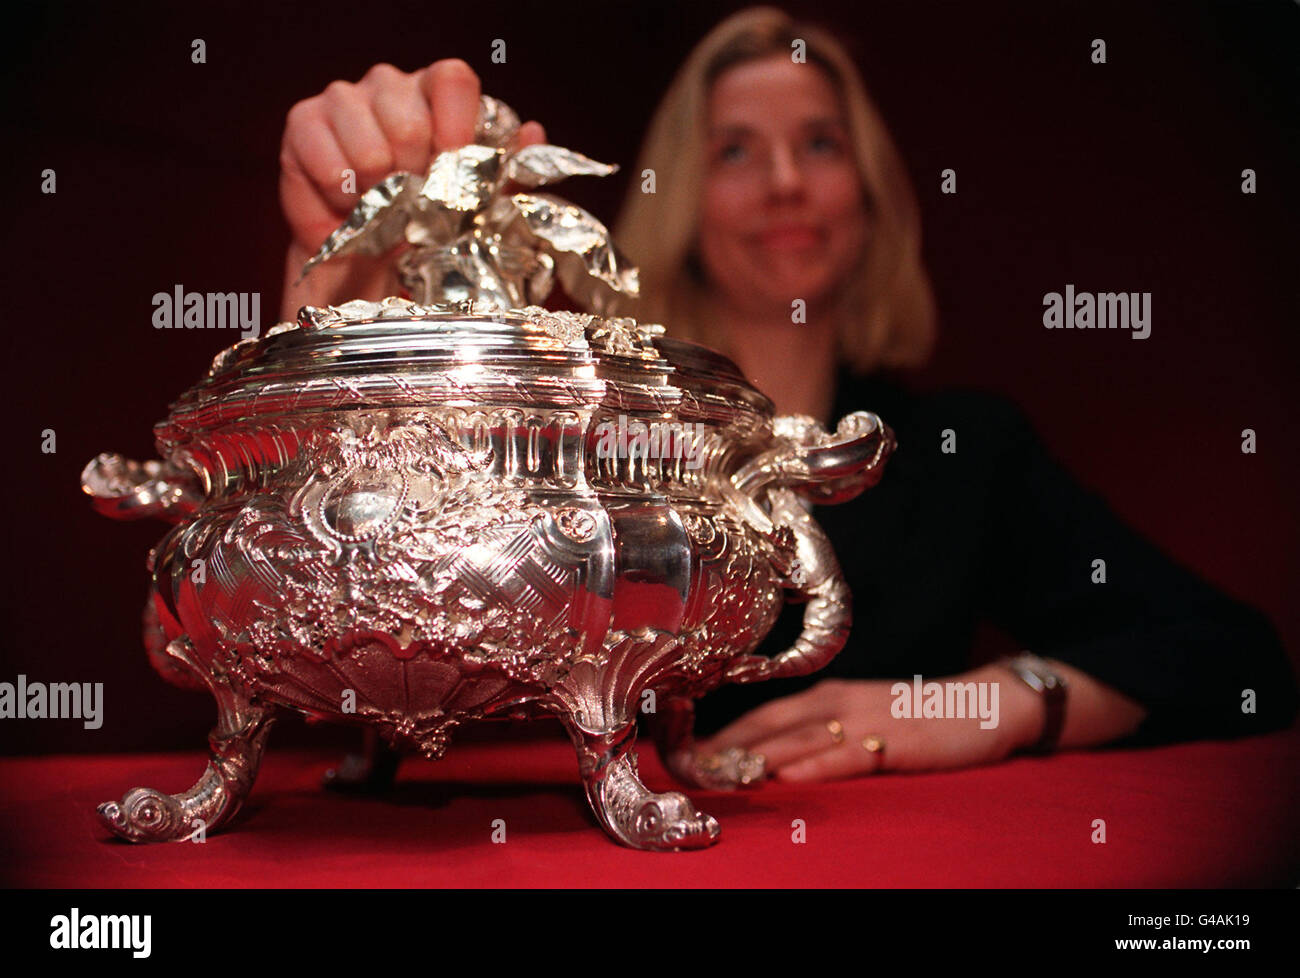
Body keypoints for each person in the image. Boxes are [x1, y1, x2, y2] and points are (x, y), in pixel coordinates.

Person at [277, 8, 1298, 784]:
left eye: (818, 143)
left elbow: (1232, 657)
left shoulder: (961, 451)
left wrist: (988, 703)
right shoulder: (560, 425)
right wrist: (338, 322)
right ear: (680, 197)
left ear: (870, 194)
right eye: (734, 151)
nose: (782, 184)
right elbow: (343, 634)